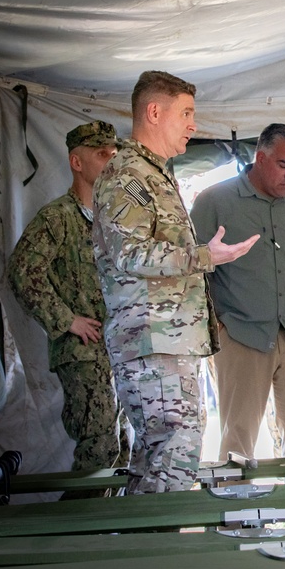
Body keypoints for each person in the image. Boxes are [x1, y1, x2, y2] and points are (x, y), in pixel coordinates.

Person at [93, 70, 258, 494]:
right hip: (153, 342)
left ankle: (140, 552)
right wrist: (206, 256)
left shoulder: (152, 173)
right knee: (175, 453)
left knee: (158, 459)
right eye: (185, 113)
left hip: (166, 342)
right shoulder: (128, 176)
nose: (193, 124)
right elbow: (130, 254)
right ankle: (157, 556)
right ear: (153, 112)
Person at [190, 123, 285, 474]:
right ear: (260, 157)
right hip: (241, 335)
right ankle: (235, 520)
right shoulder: (214, 202)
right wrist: (217, 327)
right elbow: (193, 273)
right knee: (237, 441)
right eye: (284, 165)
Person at [9, 121, 122, 495]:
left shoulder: (116, 218)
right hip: (83, 354)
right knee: (98, 449)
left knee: (119, 450)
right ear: (77, 161)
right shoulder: (57, 217)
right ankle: (79, 537)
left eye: (115, 153)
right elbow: (23, 273)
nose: (111, 161)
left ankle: (110, 532)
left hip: (120, 349)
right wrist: (66, 320)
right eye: (101, 154)